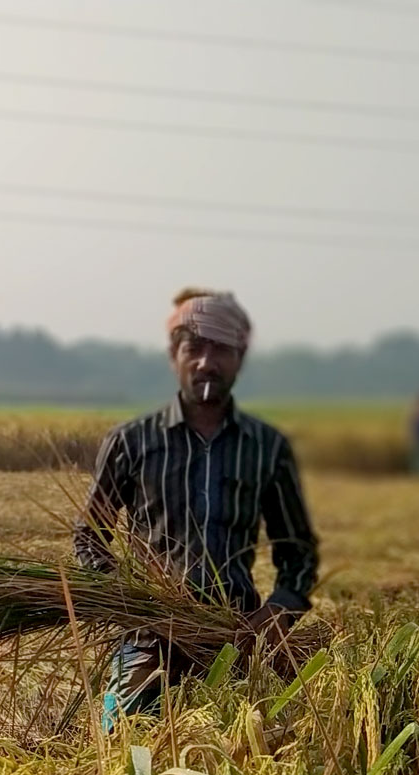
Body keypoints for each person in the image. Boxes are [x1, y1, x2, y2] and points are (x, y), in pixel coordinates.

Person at [74, 287, 319, 723]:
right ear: (175, 355)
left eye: (221, 349)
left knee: (258, 750)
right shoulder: (131, 442)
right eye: (195, 348)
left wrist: (276, 611)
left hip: (237, 637)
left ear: (240, 357)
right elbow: (89, 536)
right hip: (148, 638)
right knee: (123, 747)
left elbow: (298, 550)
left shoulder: (266, 448)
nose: (207, 361)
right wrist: (131, 595)